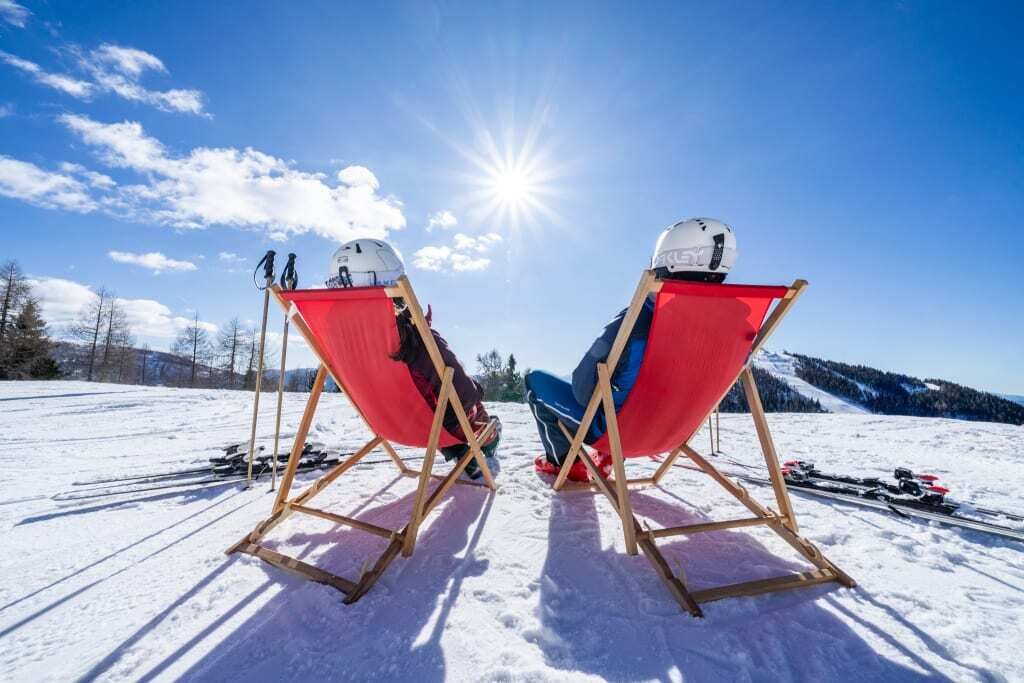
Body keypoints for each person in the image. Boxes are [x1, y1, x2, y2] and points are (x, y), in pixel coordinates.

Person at [526, 218, 738, 482]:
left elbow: (582, 389)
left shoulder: (638, 319)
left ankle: (565, 465)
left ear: (665, 257)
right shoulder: (734, 326)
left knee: (534, 380)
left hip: (619, 434)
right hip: (673, 431)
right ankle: (607, 457)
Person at [326, 238, 500, 478]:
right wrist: (476, 392)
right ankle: (477, 448)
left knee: (439, 395)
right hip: (429, 428)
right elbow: (464, 394)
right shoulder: (413, 337)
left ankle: (461, 449)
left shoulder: (336, 335)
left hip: (384, 422)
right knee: (468, 404)